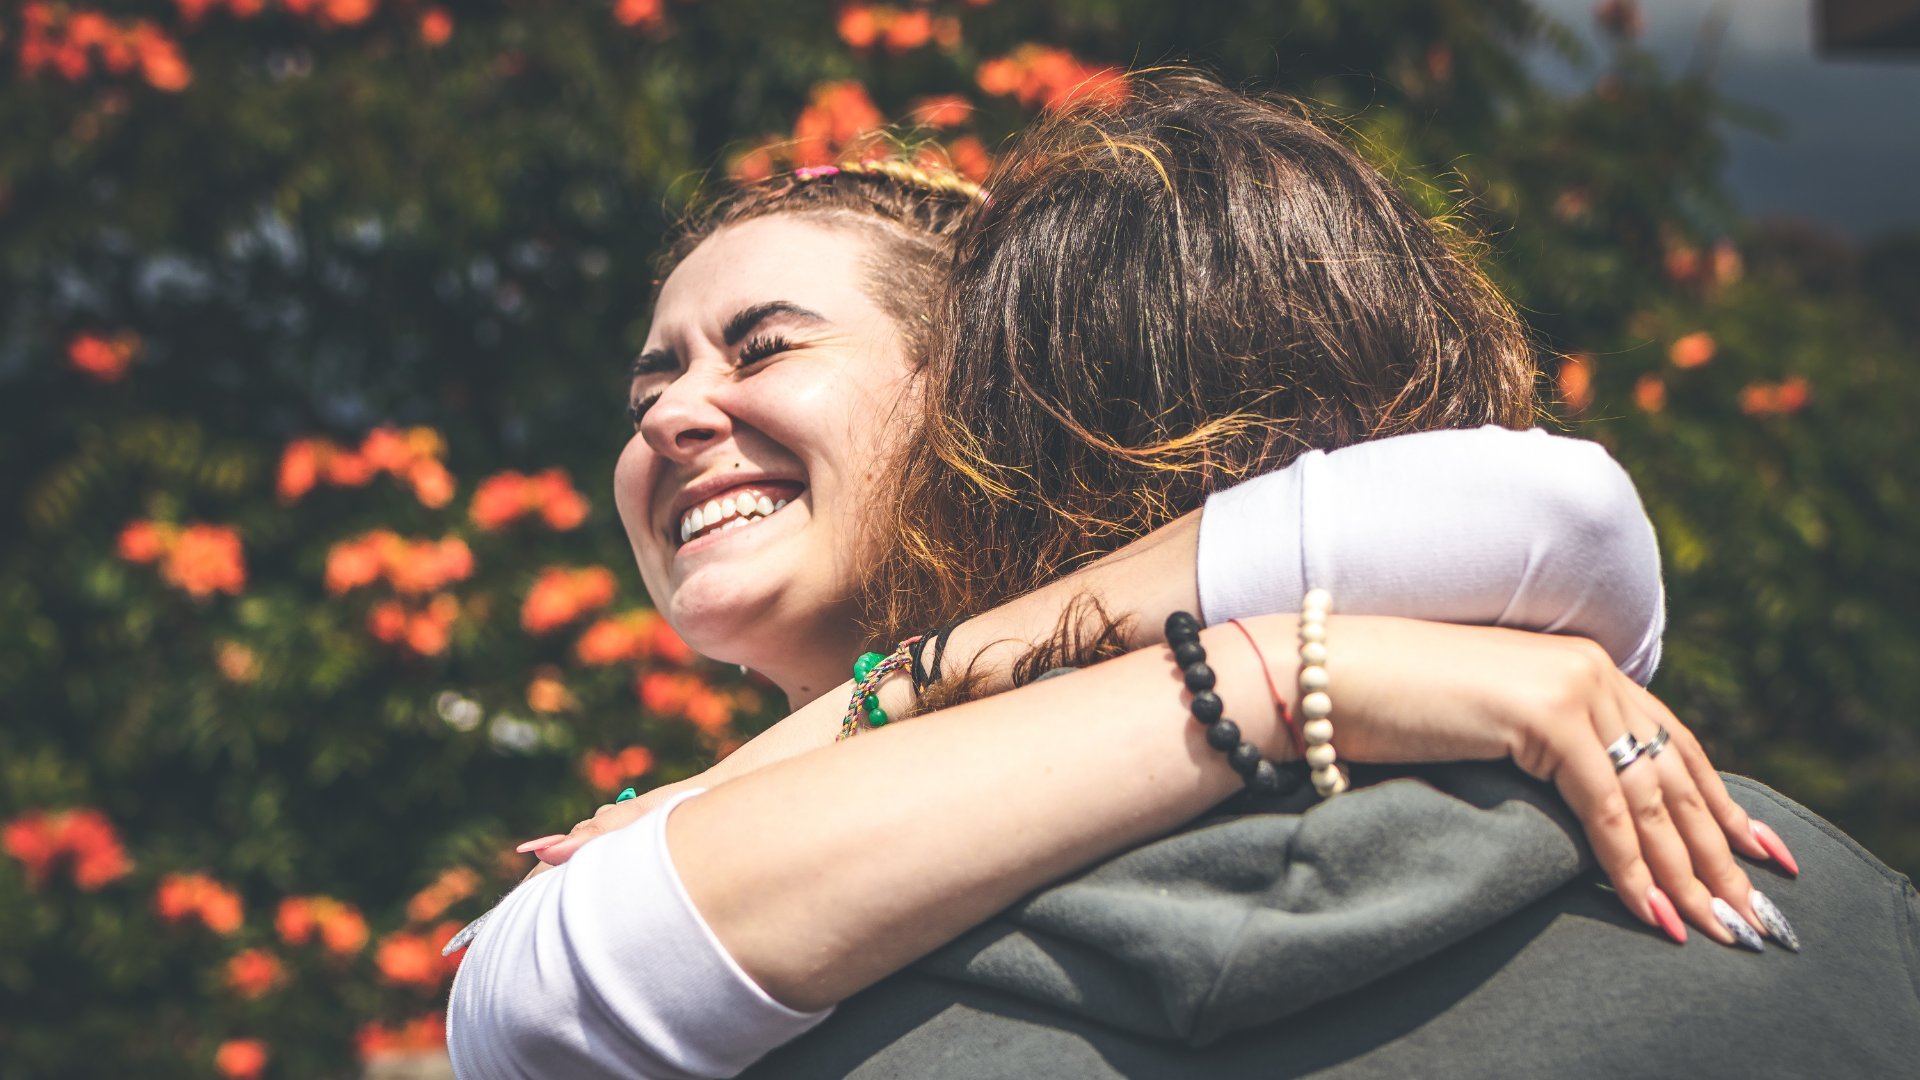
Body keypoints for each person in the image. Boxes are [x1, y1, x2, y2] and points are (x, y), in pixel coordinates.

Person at [447, 77, 1916, 1079]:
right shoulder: (1843, 924)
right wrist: (1300, 673)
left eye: (765, 349)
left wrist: (934, 677)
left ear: (975, 411)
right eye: (648, 382)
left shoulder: (854, 1009)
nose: (671, 414)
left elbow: (1540, 509)